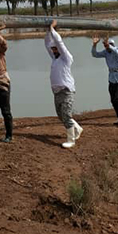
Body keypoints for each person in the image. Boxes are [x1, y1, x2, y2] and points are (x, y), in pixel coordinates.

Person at [46, 20, 82, 149]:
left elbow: (60, 43)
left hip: (67, 91)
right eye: (53, 49)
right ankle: (77, 128)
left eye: (56, 48)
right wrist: (47, 31)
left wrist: (52, 29)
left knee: (66, 115)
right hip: (57, 92)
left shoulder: (66, 58)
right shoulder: (55, 59)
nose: (54, 50)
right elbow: (47, 44)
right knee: (61, 115)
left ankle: (71, 140)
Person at [91, 35, 118, 126]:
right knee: (113, 100)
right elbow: (95, 54)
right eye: (106, 45)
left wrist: (109, 46)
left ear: (113, 45)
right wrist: (94, 45)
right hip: (111, 77)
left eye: (109, 45)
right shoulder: (106, 52)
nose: (107, 47)